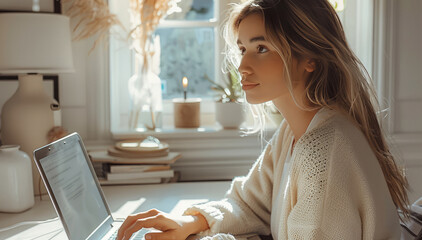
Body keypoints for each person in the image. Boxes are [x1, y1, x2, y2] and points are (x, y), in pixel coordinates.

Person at [117, 0, 410, 239]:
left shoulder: (325, 149)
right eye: (243, 49)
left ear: (310, 58)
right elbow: (249, 204)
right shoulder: (293, 132)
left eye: (261, 49)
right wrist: (190, 223)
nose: (243, 66)